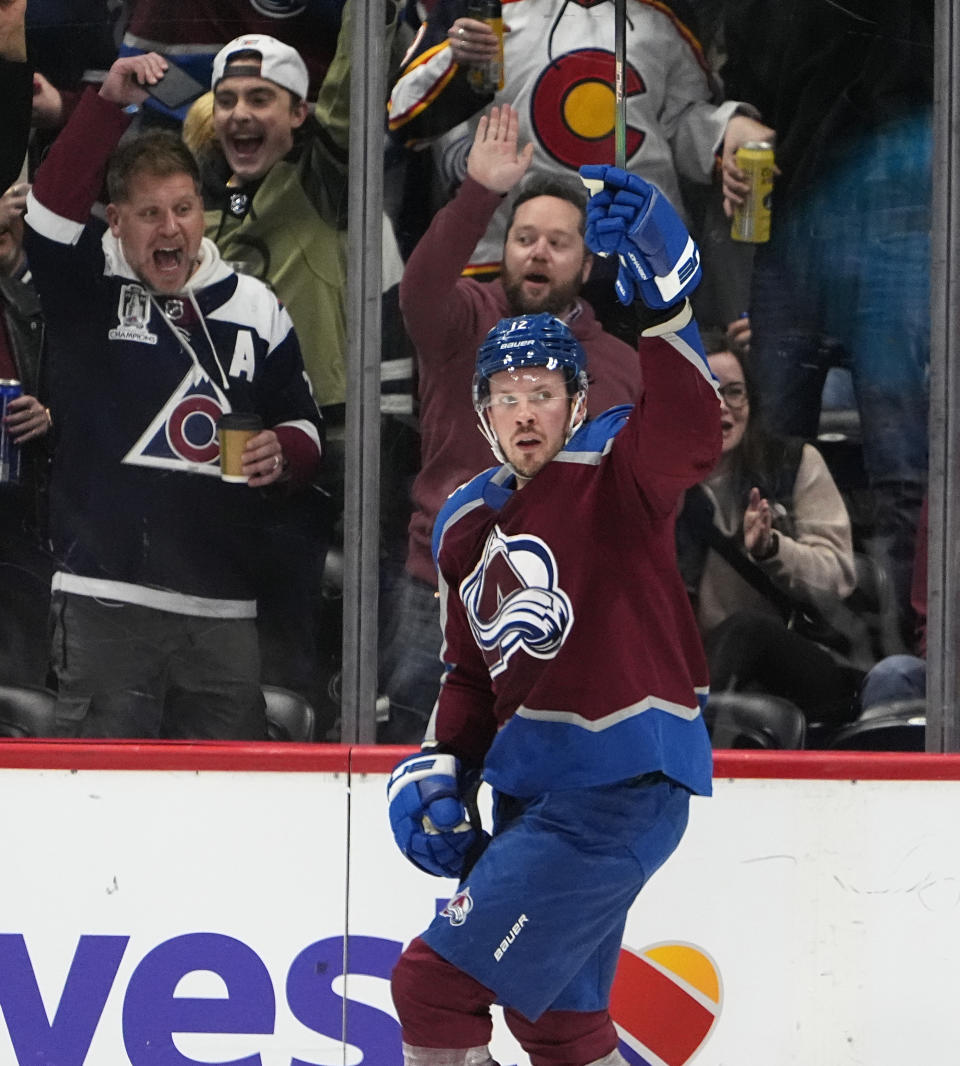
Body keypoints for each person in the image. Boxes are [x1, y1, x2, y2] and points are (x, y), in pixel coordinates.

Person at [386, 163, 720, 1066]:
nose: (526, 411)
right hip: (536, 796)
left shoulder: (618, 470)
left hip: (617, 791)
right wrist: (442, 763)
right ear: (483, 411)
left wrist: (670, 300)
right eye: (508, 395)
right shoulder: (465, 522)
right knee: (558, 1027)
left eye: (544, 393)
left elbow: (693, 429)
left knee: (430, 983)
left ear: (578, 403)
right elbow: (468, 673)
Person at [23, 51, 323, 738]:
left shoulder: (254, 304)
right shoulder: (84, 288)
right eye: (150, 213)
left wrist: (286, 453)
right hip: (104, 600)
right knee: (99, 804)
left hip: (223, 609)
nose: (171, 229)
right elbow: (43, 216)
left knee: (225, 814)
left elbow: (302, 424)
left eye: (184, 209)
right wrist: (108, 106)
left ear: (204, 215)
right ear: (116, 222)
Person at [379, 104, 644, 742]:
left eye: (559, 243)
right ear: (506, 249)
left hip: (569, 602)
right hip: (443, 593)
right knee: (427, 774)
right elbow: (417, 288)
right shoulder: (464, 319)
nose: (538, 253)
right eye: (525, 238)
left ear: (585, 266)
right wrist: (481, 193)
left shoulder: (622, 366)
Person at [719, 0, 933, 646]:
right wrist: (732, 130)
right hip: (796, 223)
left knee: (900, 460)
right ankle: (773, 645)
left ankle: (909, 652)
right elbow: (744, 97)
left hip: (895, 221)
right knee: (769, 448)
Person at [387, 0, 772, 276]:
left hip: (637, 259)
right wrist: (456, 61)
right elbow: (403, 119)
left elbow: (677, 122)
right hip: (507, 260)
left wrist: (725, 130)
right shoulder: (479, 8)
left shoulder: (664, 16)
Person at [675, 337, 865, 728]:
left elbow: (839, 576)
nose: (722, 407)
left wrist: (773, 549)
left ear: (752, 402)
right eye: (706, 392)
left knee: (747, 630)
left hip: (802, 664)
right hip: (690, 663)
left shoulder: (793, 464)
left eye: (734, 392)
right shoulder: (658, 485)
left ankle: (689, 731)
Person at [0, 179, 54, 687]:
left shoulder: (42, 293)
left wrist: (51, 416)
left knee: (21, 686)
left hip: (25, 509)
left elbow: (93, 388)